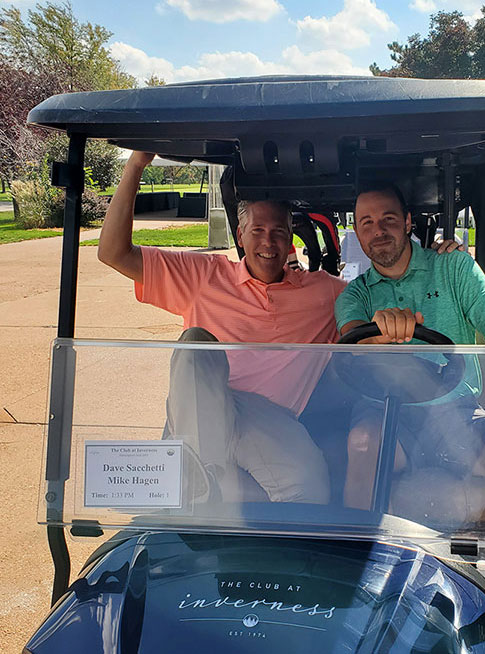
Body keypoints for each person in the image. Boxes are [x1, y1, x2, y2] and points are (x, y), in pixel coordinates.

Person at [334, 182, 485, 645]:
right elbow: (353, 341)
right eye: (367, 223)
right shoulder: (355, 294)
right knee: (362, 442)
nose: (378, 231)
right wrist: (380, 334)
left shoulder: (453, 266)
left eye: (389, 219)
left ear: (409, 222)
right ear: (356, 231)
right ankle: (357, 585)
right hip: (384, 414)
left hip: (455, 413)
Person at [98, 151, 348, 504]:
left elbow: (379, 299)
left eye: (278, 231)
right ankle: (203, 489)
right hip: (206, 405)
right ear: (240, 235)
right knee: (196, 343)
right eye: (257, 230)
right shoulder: (204, 276)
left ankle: (201, 492)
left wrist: (446, 260)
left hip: (269, 419)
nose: (268, 241)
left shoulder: (324, 292)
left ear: (290, 236)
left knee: (310, 490)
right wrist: (136, 166)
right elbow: (113, 252)